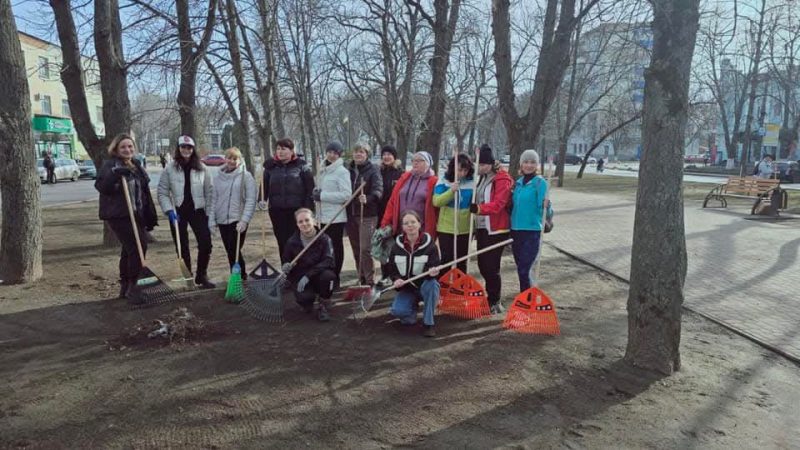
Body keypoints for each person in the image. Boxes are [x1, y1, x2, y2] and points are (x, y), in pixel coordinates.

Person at [95, 134, 158, 300]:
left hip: (135, 213)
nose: (127, 149)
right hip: (119, 215)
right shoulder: (110, 165)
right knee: (139, 247)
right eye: (123, 147)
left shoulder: (136, 165)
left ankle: (125, 286)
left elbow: (143, 191)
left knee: (129, 249)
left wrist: (149, 215)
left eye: (130, 146)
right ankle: (134, 288)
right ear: (116, 149)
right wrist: (115, 174)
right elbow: (102, 186)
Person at [157, 135, 216, 289]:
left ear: (193, 149)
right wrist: (169, 210)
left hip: (198, 211)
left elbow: (210, 192)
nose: (186, 150)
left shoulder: (202, 168)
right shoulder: (170, 169)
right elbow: (162, 192)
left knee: (206, 244)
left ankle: (201, 275)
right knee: (182, 246)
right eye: (183, 147)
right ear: (178, 148)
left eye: (189, 147)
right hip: (178, 212)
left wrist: (209, 213)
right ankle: (188, 277)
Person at [469, 144, 513, 314]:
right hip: (482, 227)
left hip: (496, 229)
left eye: (482, 165)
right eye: (477, 164)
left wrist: (479, 209)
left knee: (491, 266)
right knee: (482, 264)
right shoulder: (481, 177)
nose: (479, 167)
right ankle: (491, 297)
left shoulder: (502, 179)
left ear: (490, 163)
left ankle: (495, 300)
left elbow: (499, 204)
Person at [385, 210, 442, 337]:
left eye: (413, 222)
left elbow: (436, 265)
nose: (410, 225)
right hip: (407, 289)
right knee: (401, 314)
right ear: (402, 227)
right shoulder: (396, 246)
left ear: (419, 224)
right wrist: (396, 279)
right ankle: (413, 306)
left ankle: (428, 323)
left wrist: (433, 272)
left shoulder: (430, 245)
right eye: (406, 223)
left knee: (432, 285)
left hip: (424, 286)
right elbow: (392, 269)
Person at [260, 138, 315, 263]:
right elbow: (263, 187)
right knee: (282, 242)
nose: (280, 152)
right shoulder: (270, 167)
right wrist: (261, 200)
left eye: (283, 149)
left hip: (297, 212)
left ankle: (301, 271)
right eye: (278, 149)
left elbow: (310, 189)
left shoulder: (302, 166)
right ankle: (286, 271)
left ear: (291, 151)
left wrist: (308, 210)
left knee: (298, 241)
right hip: (277, 211)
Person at [509, 149, 553, 292]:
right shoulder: (518, 184)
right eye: (526, 162)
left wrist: (547, 206)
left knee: (525, 269)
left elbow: (546, 210)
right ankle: (526, 296)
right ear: (521, 165)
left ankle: (527, 299)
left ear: (537, 165)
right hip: (516, 231)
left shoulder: (540, 183)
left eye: (533, 162)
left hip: (532, 231)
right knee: (520, 268)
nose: (529, 165)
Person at [282, 208, 337, 322]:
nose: (304, 224)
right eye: (300, 222)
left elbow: (329, 261)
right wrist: (286, 266)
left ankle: (324, 302)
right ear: (297, 224)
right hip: (301, 277)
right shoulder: (292, 242)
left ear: (314, 220)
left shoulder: (324, 238)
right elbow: (286, 260)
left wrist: (309, 275)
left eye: (307, 220)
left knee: (329, 277)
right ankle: (307, 301)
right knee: (305, 300)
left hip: (319, 274)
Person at [213, 147, 257, 278]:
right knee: (230, 250)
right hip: (222, 219)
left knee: (234, 249)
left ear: (240, 160)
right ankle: (238, 276)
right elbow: (214, 199)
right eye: (229, 158)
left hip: (238, 219)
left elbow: (250, 199)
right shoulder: (218, 178)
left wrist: (244, 220)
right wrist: (213, 219)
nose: (232, 161)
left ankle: (240, 276)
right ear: (225, 159)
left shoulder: (246, 176)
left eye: (235, 158)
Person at [315, 141, 352, 282]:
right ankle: (326, 274)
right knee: (324, 248)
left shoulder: (342, 172)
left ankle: (335, 275)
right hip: (322, 216)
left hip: (336, 217)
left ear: (339, 155)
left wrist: (322, 196)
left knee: (335, 247)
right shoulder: (323, 169)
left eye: (335, 153)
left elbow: (346, 195)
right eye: (329, 152)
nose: (331, 155)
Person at [346, 143, 383, 286]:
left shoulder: (373, 170)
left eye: (361, 152)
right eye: (356, 152)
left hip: (367, 214)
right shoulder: (348, 170)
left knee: (365, 249)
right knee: (356, 248)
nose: (358, 154)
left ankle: (369, 280)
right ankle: (360, 277)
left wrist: (369, 198)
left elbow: (378, 189)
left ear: (367, 154)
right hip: (351, 214)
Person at [380, 151, 439, 239]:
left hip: (422, 229)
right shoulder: (404, 178)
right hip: (401, 227)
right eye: (413, 160)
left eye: (419, 160)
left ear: (428, 163)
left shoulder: (434, 181)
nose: (415, 163)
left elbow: (437, 207)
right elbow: (392, 202)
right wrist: (385, 222)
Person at [432, 153, 475, 273]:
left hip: (465, 228)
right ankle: (442, 286)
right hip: (446, 228)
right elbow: (436, 201)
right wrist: (451, 191)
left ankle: (460, 286)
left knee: (462, 261)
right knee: (447, 259)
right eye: (459, 170)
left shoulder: (472, 182)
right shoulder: (443, 180)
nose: (462, 173)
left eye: (465, 170)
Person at [377, 145, 404, 284]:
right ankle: (385, 274)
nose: (386, 157)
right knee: (384, 245)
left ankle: (397, 274)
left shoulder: (400, 174)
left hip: (396, 215)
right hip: (381, 215)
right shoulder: (378, 172)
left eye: (389, 154)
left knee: (396, 245)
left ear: (395, 157)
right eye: (384, 154)